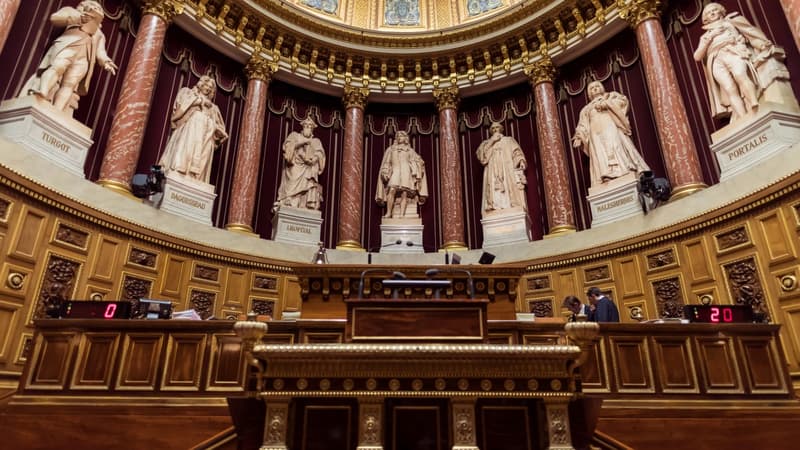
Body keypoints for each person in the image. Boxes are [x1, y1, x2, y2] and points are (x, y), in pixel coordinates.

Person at [693, 3, 791, 123]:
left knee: (740, 75)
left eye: (714, 10)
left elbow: (750, 34)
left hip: (734, 52)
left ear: (720, 12)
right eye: (709, 13)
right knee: (730, 88)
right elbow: (697, 56)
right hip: (716, 60)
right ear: (706, 18)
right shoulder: (706, 36)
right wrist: (711, 37)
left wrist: (761, 44)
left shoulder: (731, 22)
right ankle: (743, 117)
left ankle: (754, 102)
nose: (712, 13)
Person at [19, 1, 117, 115]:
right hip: (67, 46)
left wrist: (106, 62)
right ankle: (41, 92)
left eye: (98, 8)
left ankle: (57, 111)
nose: (95, 9)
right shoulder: (72, 12)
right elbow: (55, 18)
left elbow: (100, 51)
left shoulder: (99, 34)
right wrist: (79, 18)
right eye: (93, 6)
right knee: (57, 67)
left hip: (84, 58)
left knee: (70, 83)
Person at [572, 81, 650, 189]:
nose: (595, 89)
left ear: (602, 88)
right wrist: (579, 137)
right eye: (592, 88)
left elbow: (623, 102)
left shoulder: (611, 96)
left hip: (610, 126)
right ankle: (606, 175)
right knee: (600, 153)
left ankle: (622, 171)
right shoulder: (586, 109)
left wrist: (607, 104)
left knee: (614, 146)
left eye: (597, 86)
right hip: (595, 134)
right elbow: (582, 125)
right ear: (589, 93)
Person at [158, 75, 228, 184]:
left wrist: (217, 130)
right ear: (201, 84)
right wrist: (200, 102)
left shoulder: (214, 108)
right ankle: (180, 170)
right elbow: (180, 110)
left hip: (206, 135)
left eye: (210, 87)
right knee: (187, 148)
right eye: (206, 85)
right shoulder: (189, 94)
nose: (208, 88)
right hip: (191, 129)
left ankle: (195, 176)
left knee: (202, 154)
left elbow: (220, 126)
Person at [475, 121, 528, 216]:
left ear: (501, 129)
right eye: (493, 128)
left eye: (497, 128)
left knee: (508, 188)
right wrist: (492, 141)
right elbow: (482, 157)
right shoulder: (486, 143)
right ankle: (496, 207)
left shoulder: (508, 140)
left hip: (506, 168)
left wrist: (521, 161)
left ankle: (509, 206)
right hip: (492, 171)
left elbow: (516, 152)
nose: (495, 130)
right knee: (493, 190)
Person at [274, 117, 326, 210]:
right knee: (292, 181)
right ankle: (288, 199)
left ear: (312, 128)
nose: (308, 127)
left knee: (309, 184)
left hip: (309, 168)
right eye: (306, 125)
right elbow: (288, 146)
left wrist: (313, 159)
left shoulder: (316, 141)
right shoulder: (294, 135)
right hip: (295, 165)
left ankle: (304, 204)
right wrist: (303, 142)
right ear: (302, 126)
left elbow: (320, 154)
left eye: (310, 126)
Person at [375, 131, 428, 219]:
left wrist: (418, 164)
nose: (400, 138)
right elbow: (387, 161)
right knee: (392, 190)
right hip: (395, 171)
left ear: (406, 138)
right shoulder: (391, 149)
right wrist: (385, 170)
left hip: (406, 172)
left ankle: (402, 215)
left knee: (404, 193)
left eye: (402, 136)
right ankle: (388, 213)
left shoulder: (410, 150)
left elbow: (418, 160)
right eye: (398, 136)